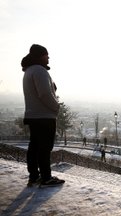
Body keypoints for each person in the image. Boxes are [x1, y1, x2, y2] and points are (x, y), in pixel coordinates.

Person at [22, 44, 65, 187]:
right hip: (44, 116)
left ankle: (34, 176)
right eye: (46, 54)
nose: (48, 57)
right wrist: (56, 107)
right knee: (45, 148)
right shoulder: (40, 70)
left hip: (33, 115)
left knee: (34, 146)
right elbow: (45, 94)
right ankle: (46, 177)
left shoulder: (29, 70)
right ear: (41, 56)